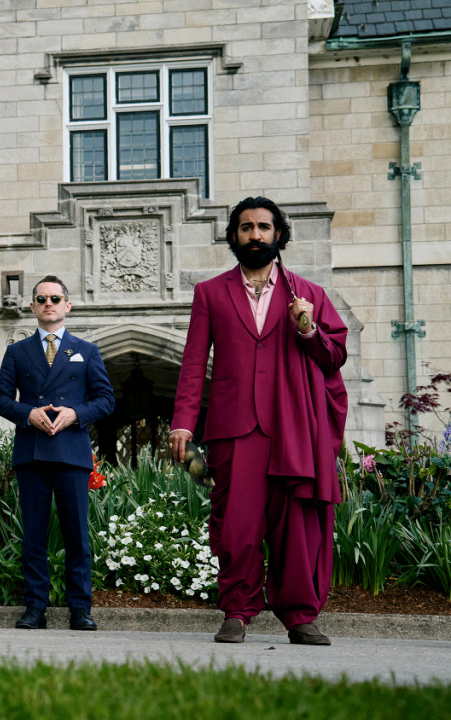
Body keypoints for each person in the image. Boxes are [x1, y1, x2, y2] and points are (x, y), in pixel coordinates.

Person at [170, 196, 348, 646]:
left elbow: (335, 357)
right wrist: (183, 424)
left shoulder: (310, 295)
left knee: (296, 527)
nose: (255, 235)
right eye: (246, 228)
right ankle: (237, 611)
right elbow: (193, 364)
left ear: (279, 235)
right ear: (234, 237)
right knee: (238, 525)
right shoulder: (210, 293)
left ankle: (300, 617)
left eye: (264, 227)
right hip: (235, 427)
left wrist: (307, 329)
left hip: (294, 427)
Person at [0, 275, 115, 631]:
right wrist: (26, 413)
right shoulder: (17, 351)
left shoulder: (86, 351)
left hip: (72, 453)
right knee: (34, 535)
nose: (49, 303)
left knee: (77, 534)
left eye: (56, 298)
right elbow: (0, 399)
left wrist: (76, 414)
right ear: (32, 307)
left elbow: (106, 400)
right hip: (32, 452)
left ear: (67, 306)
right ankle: (35, 608)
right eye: (42, 298)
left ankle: (80, 609)